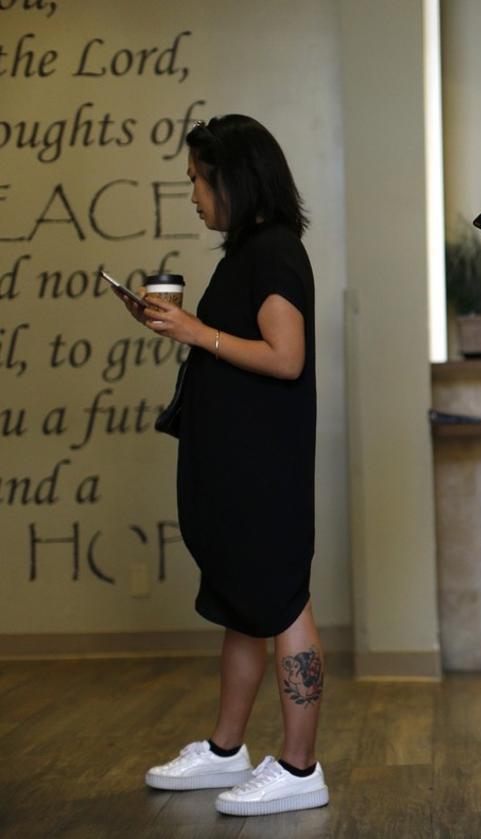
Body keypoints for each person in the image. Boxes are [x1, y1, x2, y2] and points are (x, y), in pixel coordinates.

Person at [126, 115, 329, 817]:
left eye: (197, 181)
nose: (193, 196)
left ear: (233, 181)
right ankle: (225, 749)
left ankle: (301, 765)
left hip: (262, 470)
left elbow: (286, 356)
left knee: (281, 601)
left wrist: (192, 331)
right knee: (243, 605)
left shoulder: (273, 252)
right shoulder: (248, 252)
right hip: (237, 464)